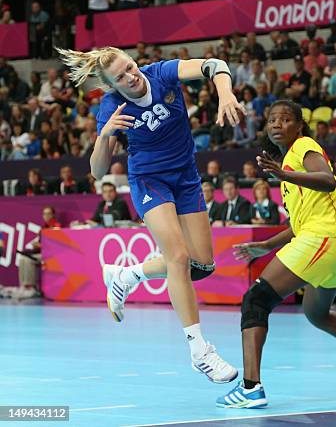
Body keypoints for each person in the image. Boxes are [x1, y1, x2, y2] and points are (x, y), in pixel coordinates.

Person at [58, 45, 245, 383]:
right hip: (149, 180)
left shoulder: (161, 73)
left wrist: (226, 94)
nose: (132, 77)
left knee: (202, 264)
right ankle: (200, 351)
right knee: (178, 256)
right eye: (122, 78)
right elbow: (98, 172)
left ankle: (127, 276)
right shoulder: (112, 106)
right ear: (112, 86)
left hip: (186, 176)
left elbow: (215, 64)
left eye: (130, 67)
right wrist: (106, 135)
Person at [217, 100, 336, 408]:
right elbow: (297, 224)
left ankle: (250, 387)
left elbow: (329, 181)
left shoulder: (304, 146)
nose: (277, 123)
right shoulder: (288, 171)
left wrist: (284, 174)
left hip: (326, 237)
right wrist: (266, 246)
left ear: (299, 126)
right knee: (316, 313)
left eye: (286, 119)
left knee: (256, 299)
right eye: (272, 120)